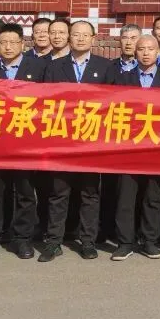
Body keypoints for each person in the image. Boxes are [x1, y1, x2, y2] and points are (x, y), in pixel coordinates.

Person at [0, 23, 49, 261]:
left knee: (25, 192)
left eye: (13, 42)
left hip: (27, 141)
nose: (7, 47)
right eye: (3, 42)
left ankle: (22, 238)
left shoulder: (39, 68)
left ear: (22, 44)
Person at [40, 21, 115, 262]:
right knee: (58, 193)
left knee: (89, 193)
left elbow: (116, 102)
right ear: (69, 38)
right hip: (62, 141)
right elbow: (43, 102)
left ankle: (88, 241)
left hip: (92, 142)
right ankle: (53, 242)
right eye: (76, 35)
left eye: (85, 35)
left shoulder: (106, 67)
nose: (80, 39)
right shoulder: (54, 67)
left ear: (93, 38)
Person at [112, 34, 160, 261]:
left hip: (159, 146)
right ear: (135, 51)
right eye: (141, 49)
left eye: (151, 49)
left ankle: (149, 240)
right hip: (129, 147)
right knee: (126, 197)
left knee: (153, 196)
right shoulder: (123, 78)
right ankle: (125, 242)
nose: (146, 53)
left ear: (158, 52)